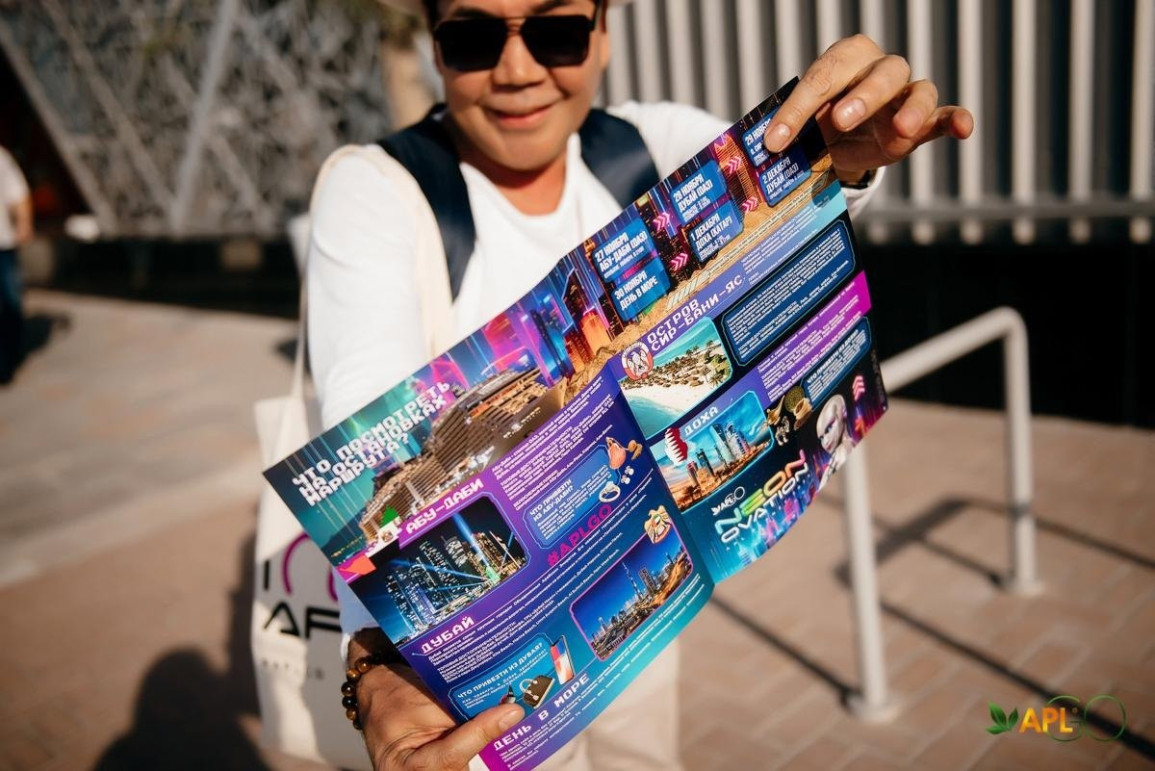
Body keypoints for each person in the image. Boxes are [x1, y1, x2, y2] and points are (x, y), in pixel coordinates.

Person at [306, 1, 973, 769]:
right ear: (434, 47)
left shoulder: (651, 145)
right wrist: (377, 668)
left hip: (634, 602)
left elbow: (793, 185)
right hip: (480, 678)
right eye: (474, 37)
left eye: (555, 32)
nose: (517, 70)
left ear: (603, 32)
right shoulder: (373, 191)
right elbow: (365, 425)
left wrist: (845, 156)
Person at [0, 145, 33, 384]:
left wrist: (24, 223)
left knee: (10, 301)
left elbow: (18, 193)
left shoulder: (0, 157)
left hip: (2, 245)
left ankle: (9, 357)